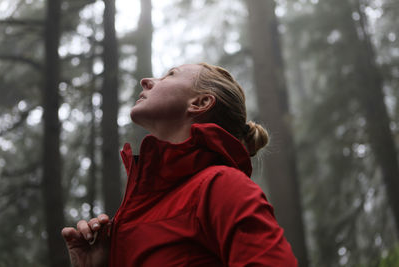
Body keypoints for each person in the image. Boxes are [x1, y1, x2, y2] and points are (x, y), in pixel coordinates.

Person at [61, 63, 298, 266]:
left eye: (170, 74)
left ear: (200, 102)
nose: (146, 81)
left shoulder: (222, 185)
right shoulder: (135, 212)